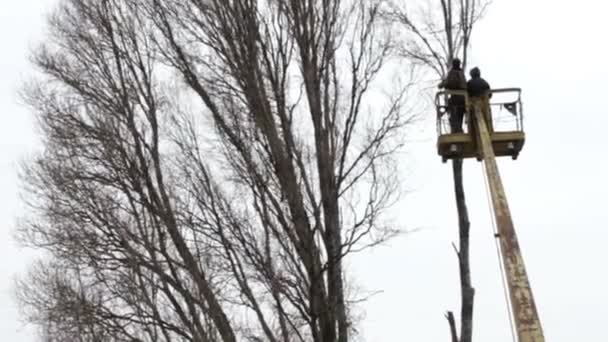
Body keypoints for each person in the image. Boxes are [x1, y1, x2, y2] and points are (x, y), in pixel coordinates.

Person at [438, 58, 467, 133]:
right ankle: (458, 129)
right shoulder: (461, 73)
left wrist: (442, 85)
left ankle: (457, 130)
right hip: (463, 98)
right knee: (460, 115)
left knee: (454, 115)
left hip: (456, 98)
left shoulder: (453, 72)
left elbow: (450, 83)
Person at [467, 67, 493, 131]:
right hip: (484, 106)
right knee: (488, 120)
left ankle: (472, 131)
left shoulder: (469, 83)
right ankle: (490, 130)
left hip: (473, 106)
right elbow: (490, 94)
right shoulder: (484, 82)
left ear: (471, 74)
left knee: (473, 123)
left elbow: (466, 94)